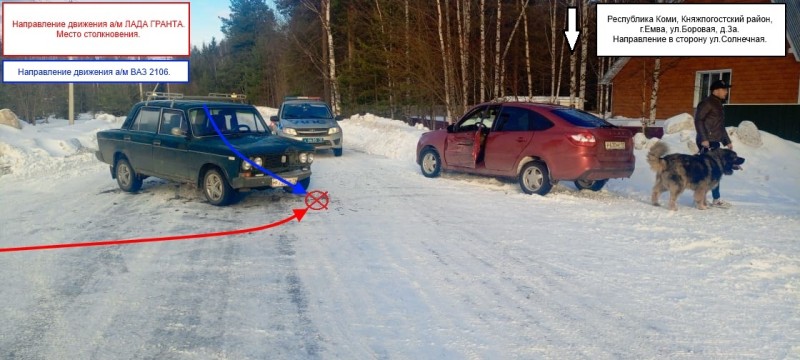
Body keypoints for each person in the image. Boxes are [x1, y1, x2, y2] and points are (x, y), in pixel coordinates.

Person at [694, 79, 733, 208]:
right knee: (707, 171)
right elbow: (698, 120)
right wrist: (704, 139)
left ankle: (714, 199)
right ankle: (702, 198)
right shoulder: (706, 103)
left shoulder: (718, 104)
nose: (726, 92)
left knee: (716, 170)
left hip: (715, 142)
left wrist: (727, 141)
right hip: (707, 142)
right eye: (724, 89)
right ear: (716, 90)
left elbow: (719, 126)